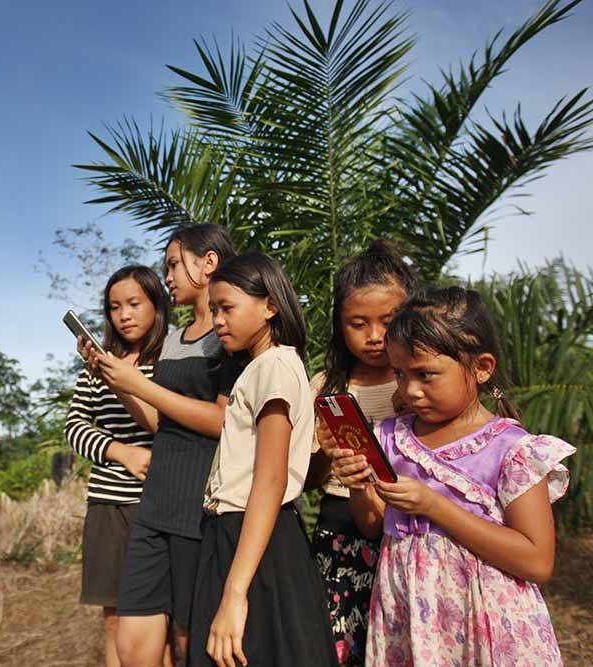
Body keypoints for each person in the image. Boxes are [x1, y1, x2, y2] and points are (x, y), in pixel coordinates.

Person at [331, 286, 575, 666]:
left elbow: (536, 561)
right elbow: (373, 527)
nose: (410, 390)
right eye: (399, 374)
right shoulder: (391, 439)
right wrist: (360, 486)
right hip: (410, 623)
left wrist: (434, 506)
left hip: (489, 628)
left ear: (481, 368)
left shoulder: (513, 450)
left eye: (425, 374)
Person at [84, 223, 237, 667]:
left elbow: (224, 421)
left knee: (189, 637)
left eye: (173, 264)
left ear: (208, 263)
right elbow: (158, 421)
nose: (167, 275)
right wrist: (118, 380)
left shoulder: (228, 336)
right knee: (132, 638)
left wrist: (141, 386)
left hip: (199, 499)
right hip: (157, 501)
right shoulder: (173, 340)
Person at [189, 251, 336, 667]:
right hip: (239, 535)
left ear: (270, 305)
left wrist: (235, 595)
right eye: (214, 309)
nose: (217, 320)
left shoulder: (274, 366)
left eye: (228, 308)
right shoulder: (257, 369)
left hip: (254, 538)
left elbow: (270, 479)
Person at [305, 240, 417, 666]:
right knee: (341, 648)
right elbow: (311, 480)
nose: (374, 336)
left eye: (388, 321)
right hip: (338, 536)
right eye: (358, 323)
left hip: (406, 534)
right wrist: (325, 454)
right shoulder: (326, 387)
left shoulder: (421, 385)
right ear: (340, 325)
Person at [65, 265, 170, 667]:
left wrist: (119, 379)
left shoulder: (171, 361)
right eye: (114, 307)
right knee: (114, 622)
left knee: (159, 622)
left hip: (158, 505)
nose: (123, 315)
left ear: (156, 305)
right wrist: (119, 451)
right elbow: (75, 427)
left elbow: (168, 420)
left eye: (133, 304)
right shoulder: (96, 368)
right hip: (108, 507)